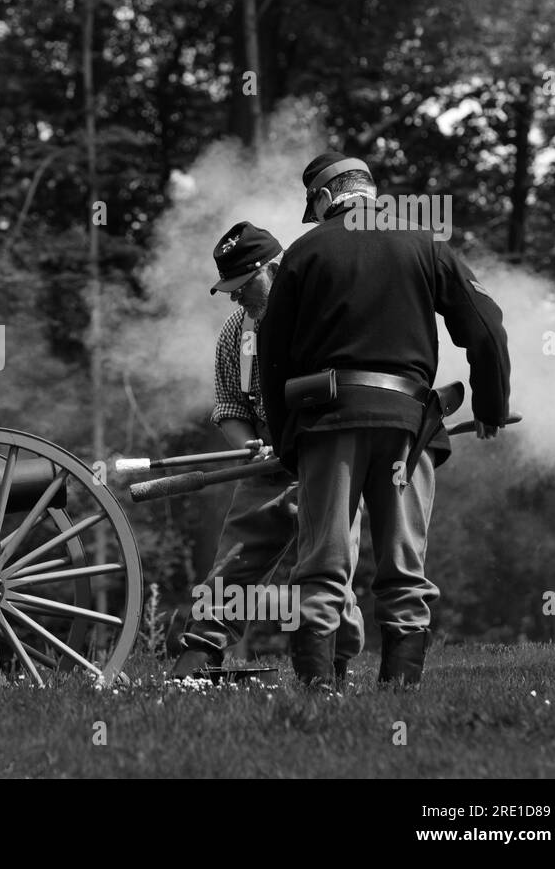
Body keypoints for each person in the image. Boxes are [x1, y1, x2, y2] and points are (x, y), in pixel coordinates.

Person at [258, 152, 511, 689]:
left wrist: (285, 442)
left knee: (323, 566)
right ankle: (400, 691)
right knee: (404, 567)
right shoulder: (425, 243)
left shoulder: (304, 252)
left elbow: (273, 359)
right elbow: (486, 327)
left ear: (325, 198)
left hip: (326, 425)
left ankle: (318, 693)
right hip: (408, 428)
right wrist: (489, 405)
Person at [170, 222, 364, 684]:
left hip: (324, 452)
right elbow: (229, 407)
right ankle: (202, 652)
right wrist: (249, 449)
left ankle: (333, 660)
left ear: (275, 269)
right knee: (234, 558)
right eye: (229, 289)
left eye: (244, 285)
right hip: (265, 462)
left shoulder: (321, 316)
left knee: (330, 561)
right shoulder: (234, 332)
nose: (236, 298)